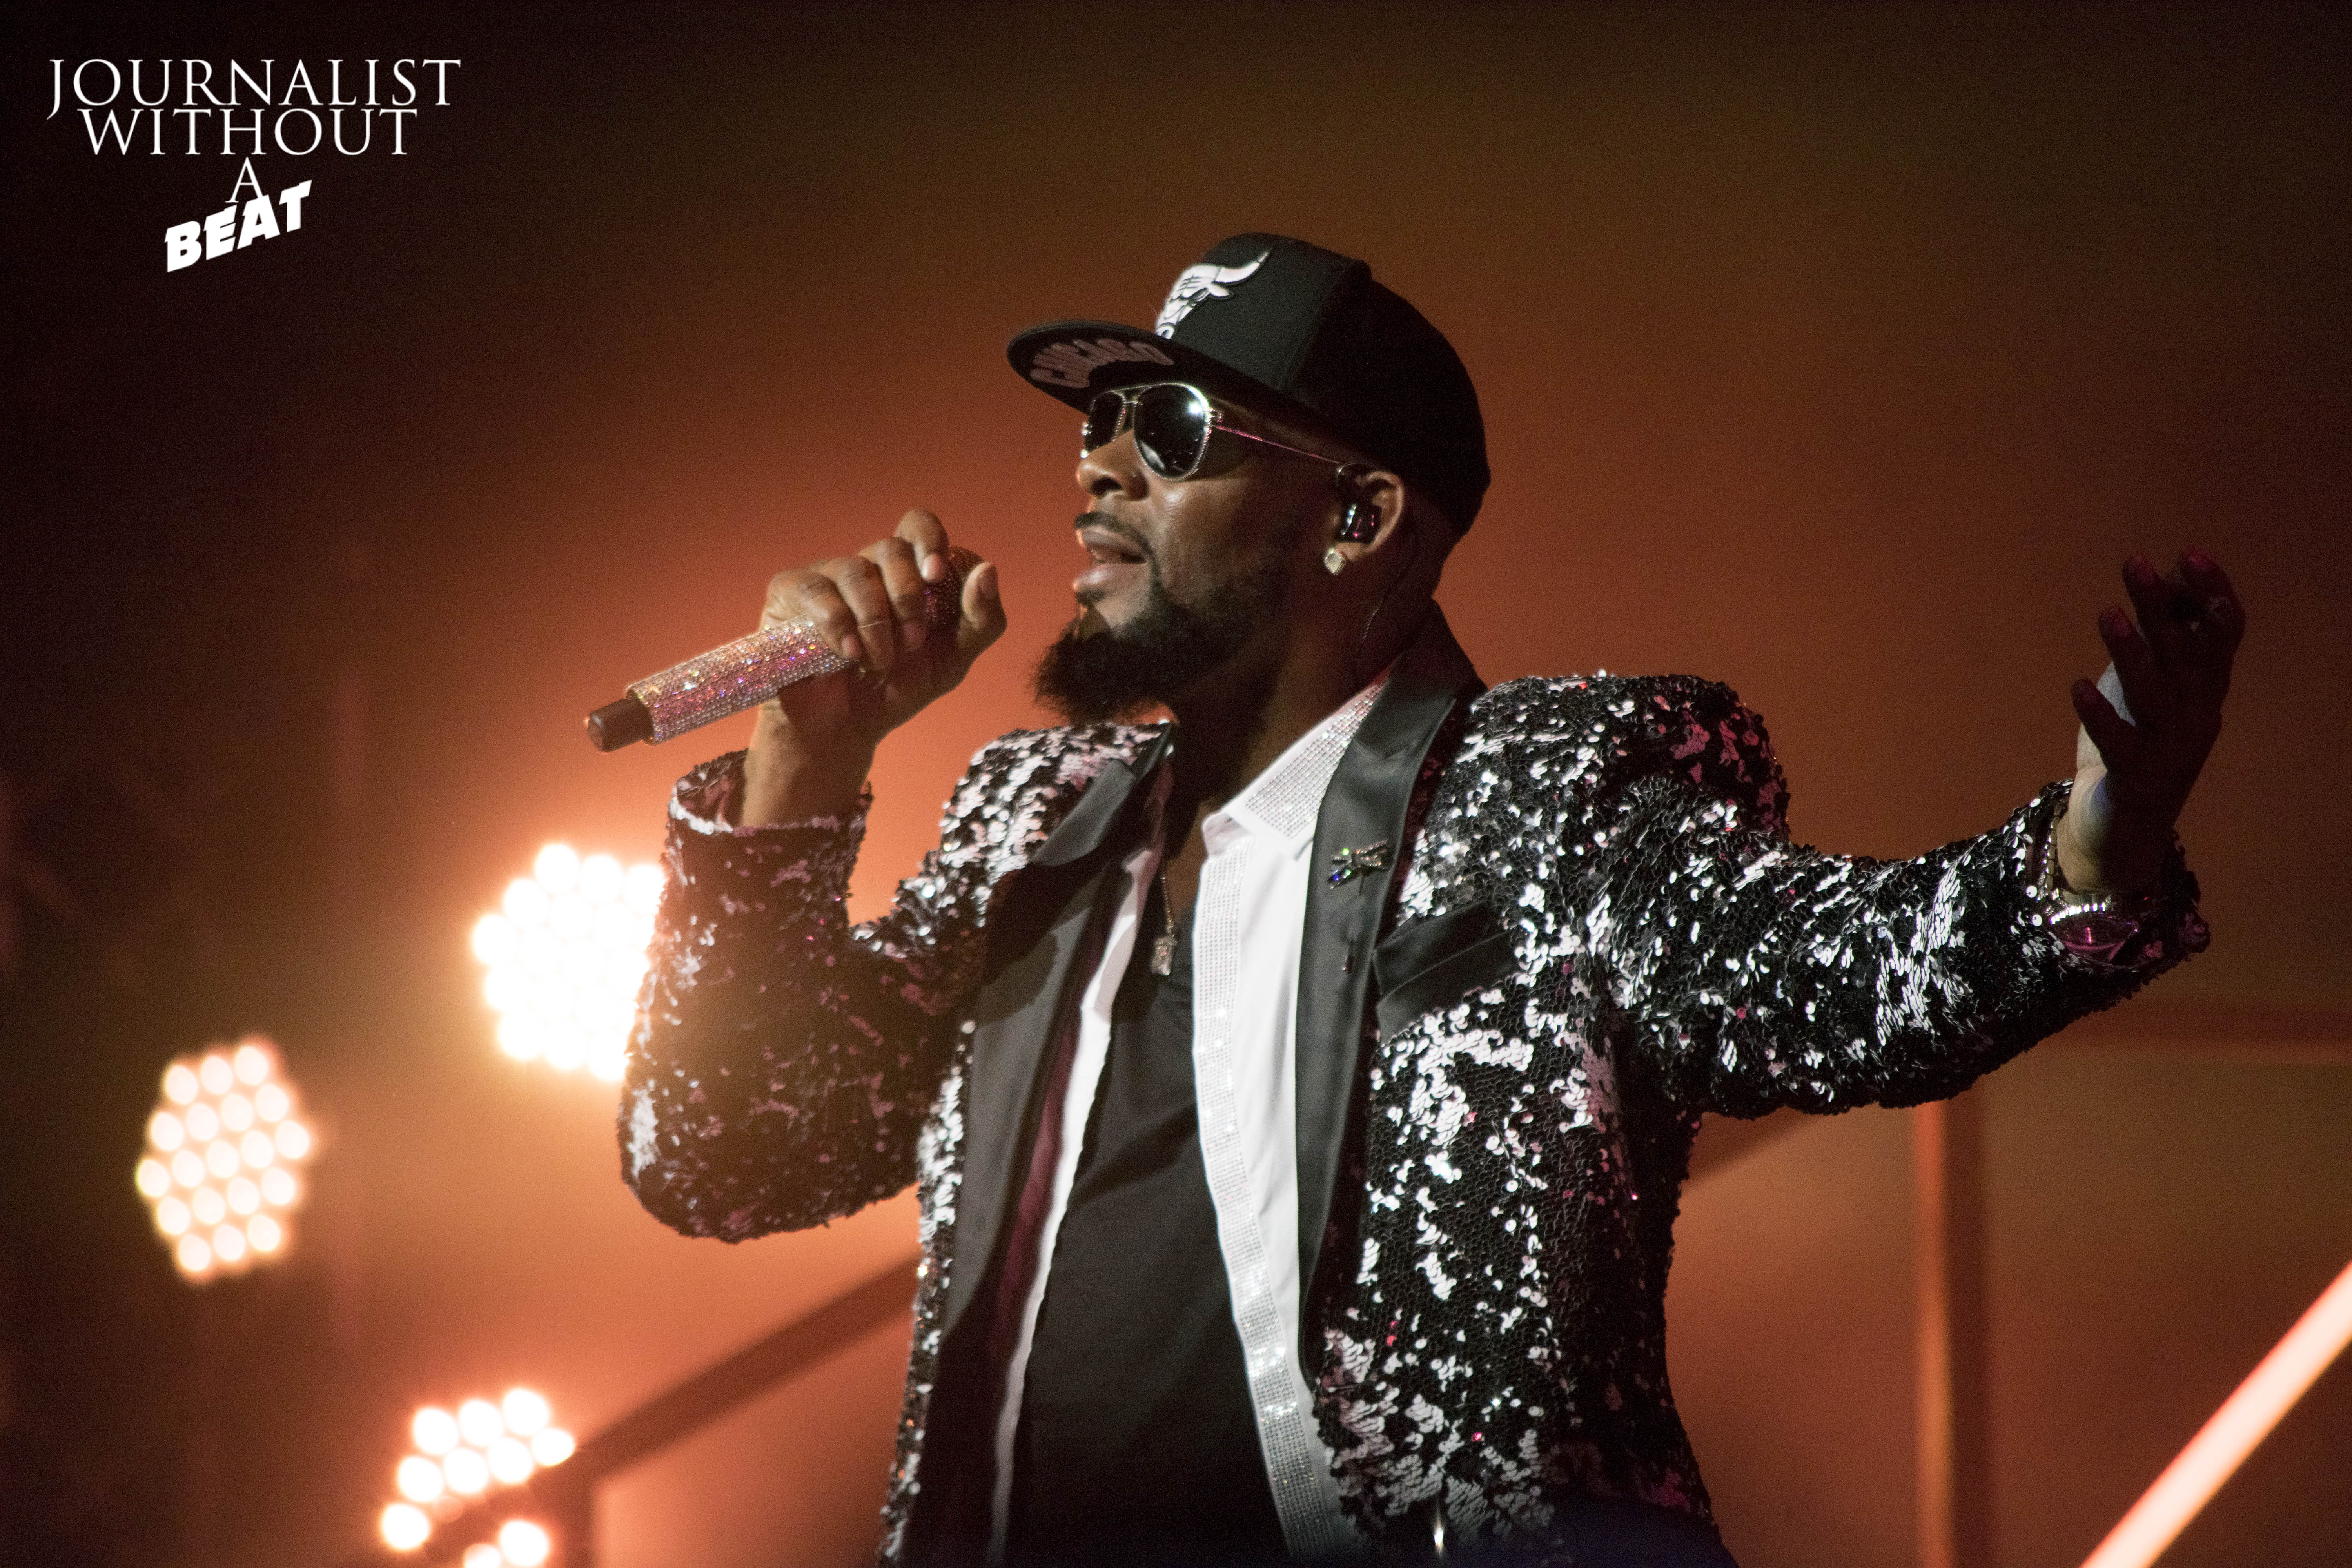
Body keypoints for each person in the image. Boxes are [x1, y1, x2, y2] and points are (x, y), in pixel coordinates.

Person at [618, 235, 2239, 1566]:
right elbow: (726, 1153)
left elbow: (1830, 975)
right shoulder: (1029, 822)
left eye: (1168, 430)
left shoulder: (1549, 796)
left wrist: (2084, 858)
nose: (1096, 467)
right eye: (1095, 425)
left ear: (1359, 516)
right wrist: (803, 767)